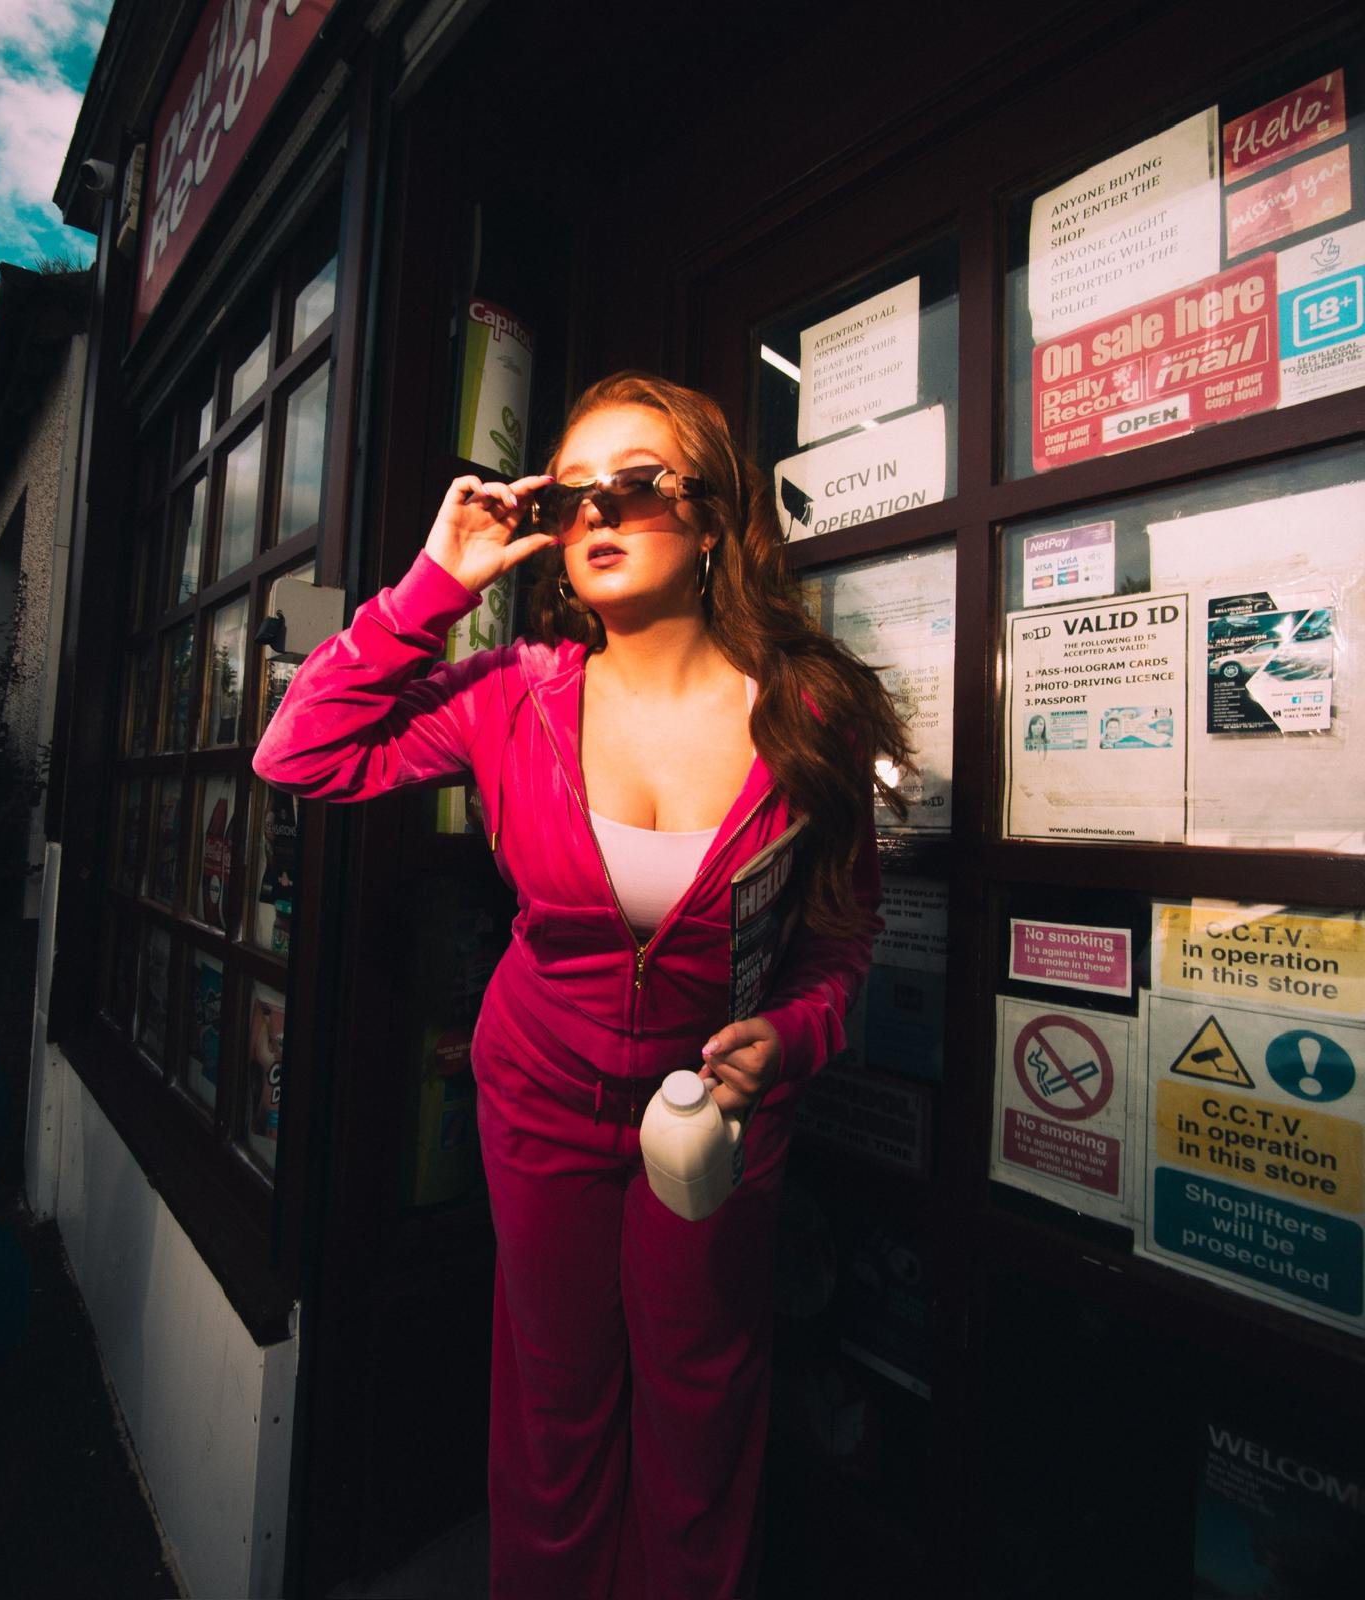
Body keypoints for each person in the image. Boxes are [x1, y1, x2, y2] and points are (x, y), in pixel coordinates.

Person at [253, 372, 910, 1598]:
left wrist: (790, 1036)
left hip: (712, 1121)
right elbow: (300, 751)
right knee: (556, 1396)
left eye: (639, 485)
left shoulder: (807, 714)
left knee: (700, 1393)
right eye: (570, 495)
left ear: (711, 519)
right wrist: (436, 585)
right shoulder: (513, 694)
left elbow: (840, 937)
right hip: (540, 1095)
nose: (599, 512)